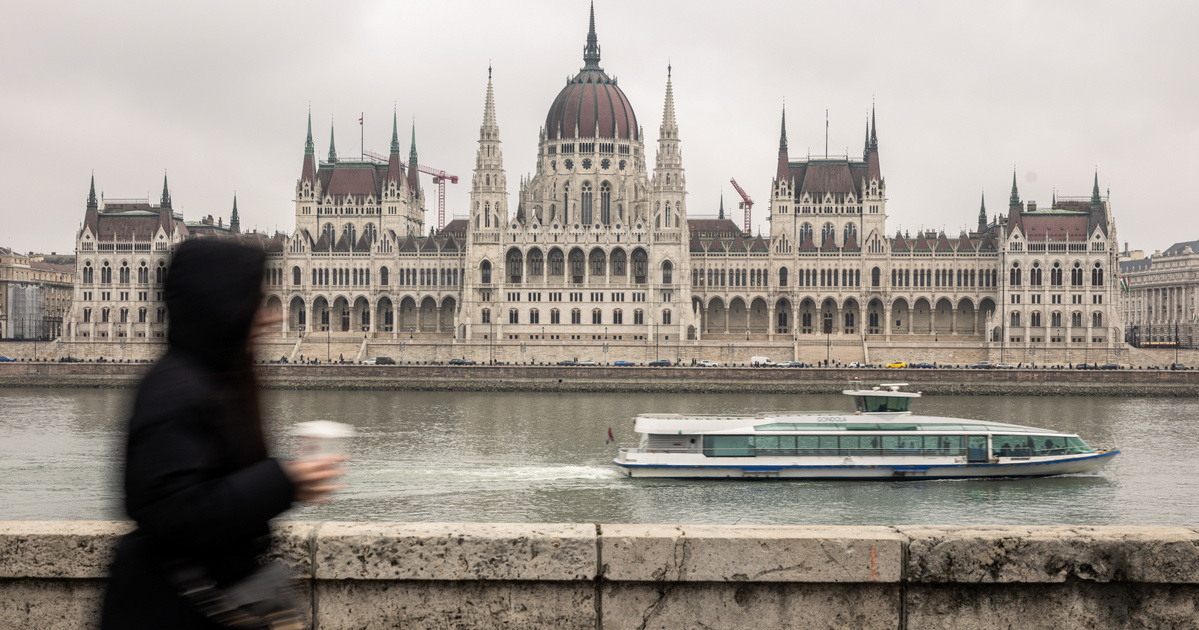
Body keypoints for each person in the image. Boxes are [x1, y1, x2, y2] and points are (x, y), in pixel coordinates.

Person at [101, 240, 343, 629]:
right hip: (165, 612)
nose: (268, 318)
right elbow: (172, 514)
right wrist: (283, 480)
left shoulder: (214, 380)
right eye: (255, 302)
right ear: (223, 308)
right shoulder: (175, 389)